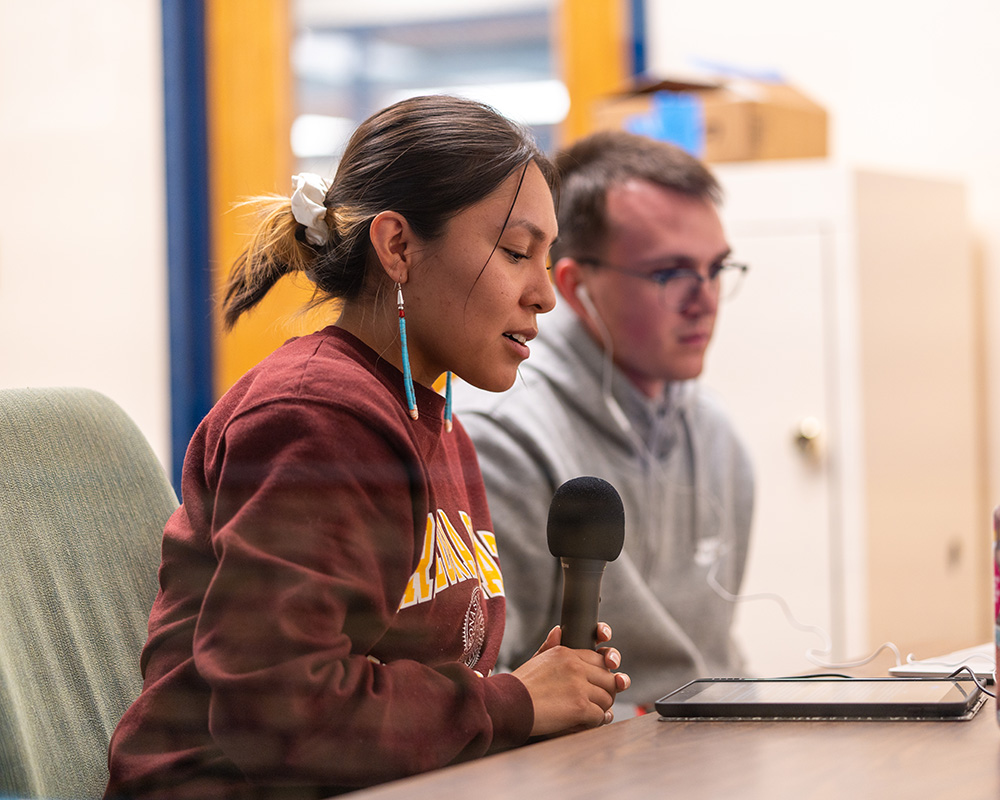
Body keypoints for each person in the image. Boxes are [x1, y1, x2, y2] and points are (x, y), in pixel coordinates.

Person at [105, 96, 629, 800]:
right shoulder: (314, 418)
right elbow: (279, 713)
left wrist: (522, 704)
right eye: (514, 252)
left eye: (547, 257)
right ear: (398, 247)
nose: (544, 295)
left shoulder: (436, 425)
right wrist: (508, 704)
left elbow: (407, 678)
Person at [452, 130, 754, 709]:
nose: (705, 298)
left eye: (715, 269)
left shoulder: (718, 438)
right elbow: (492, 694)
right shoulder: (502, 436)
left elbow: (718, 660)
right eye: (670, 273)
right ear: (573, 285)